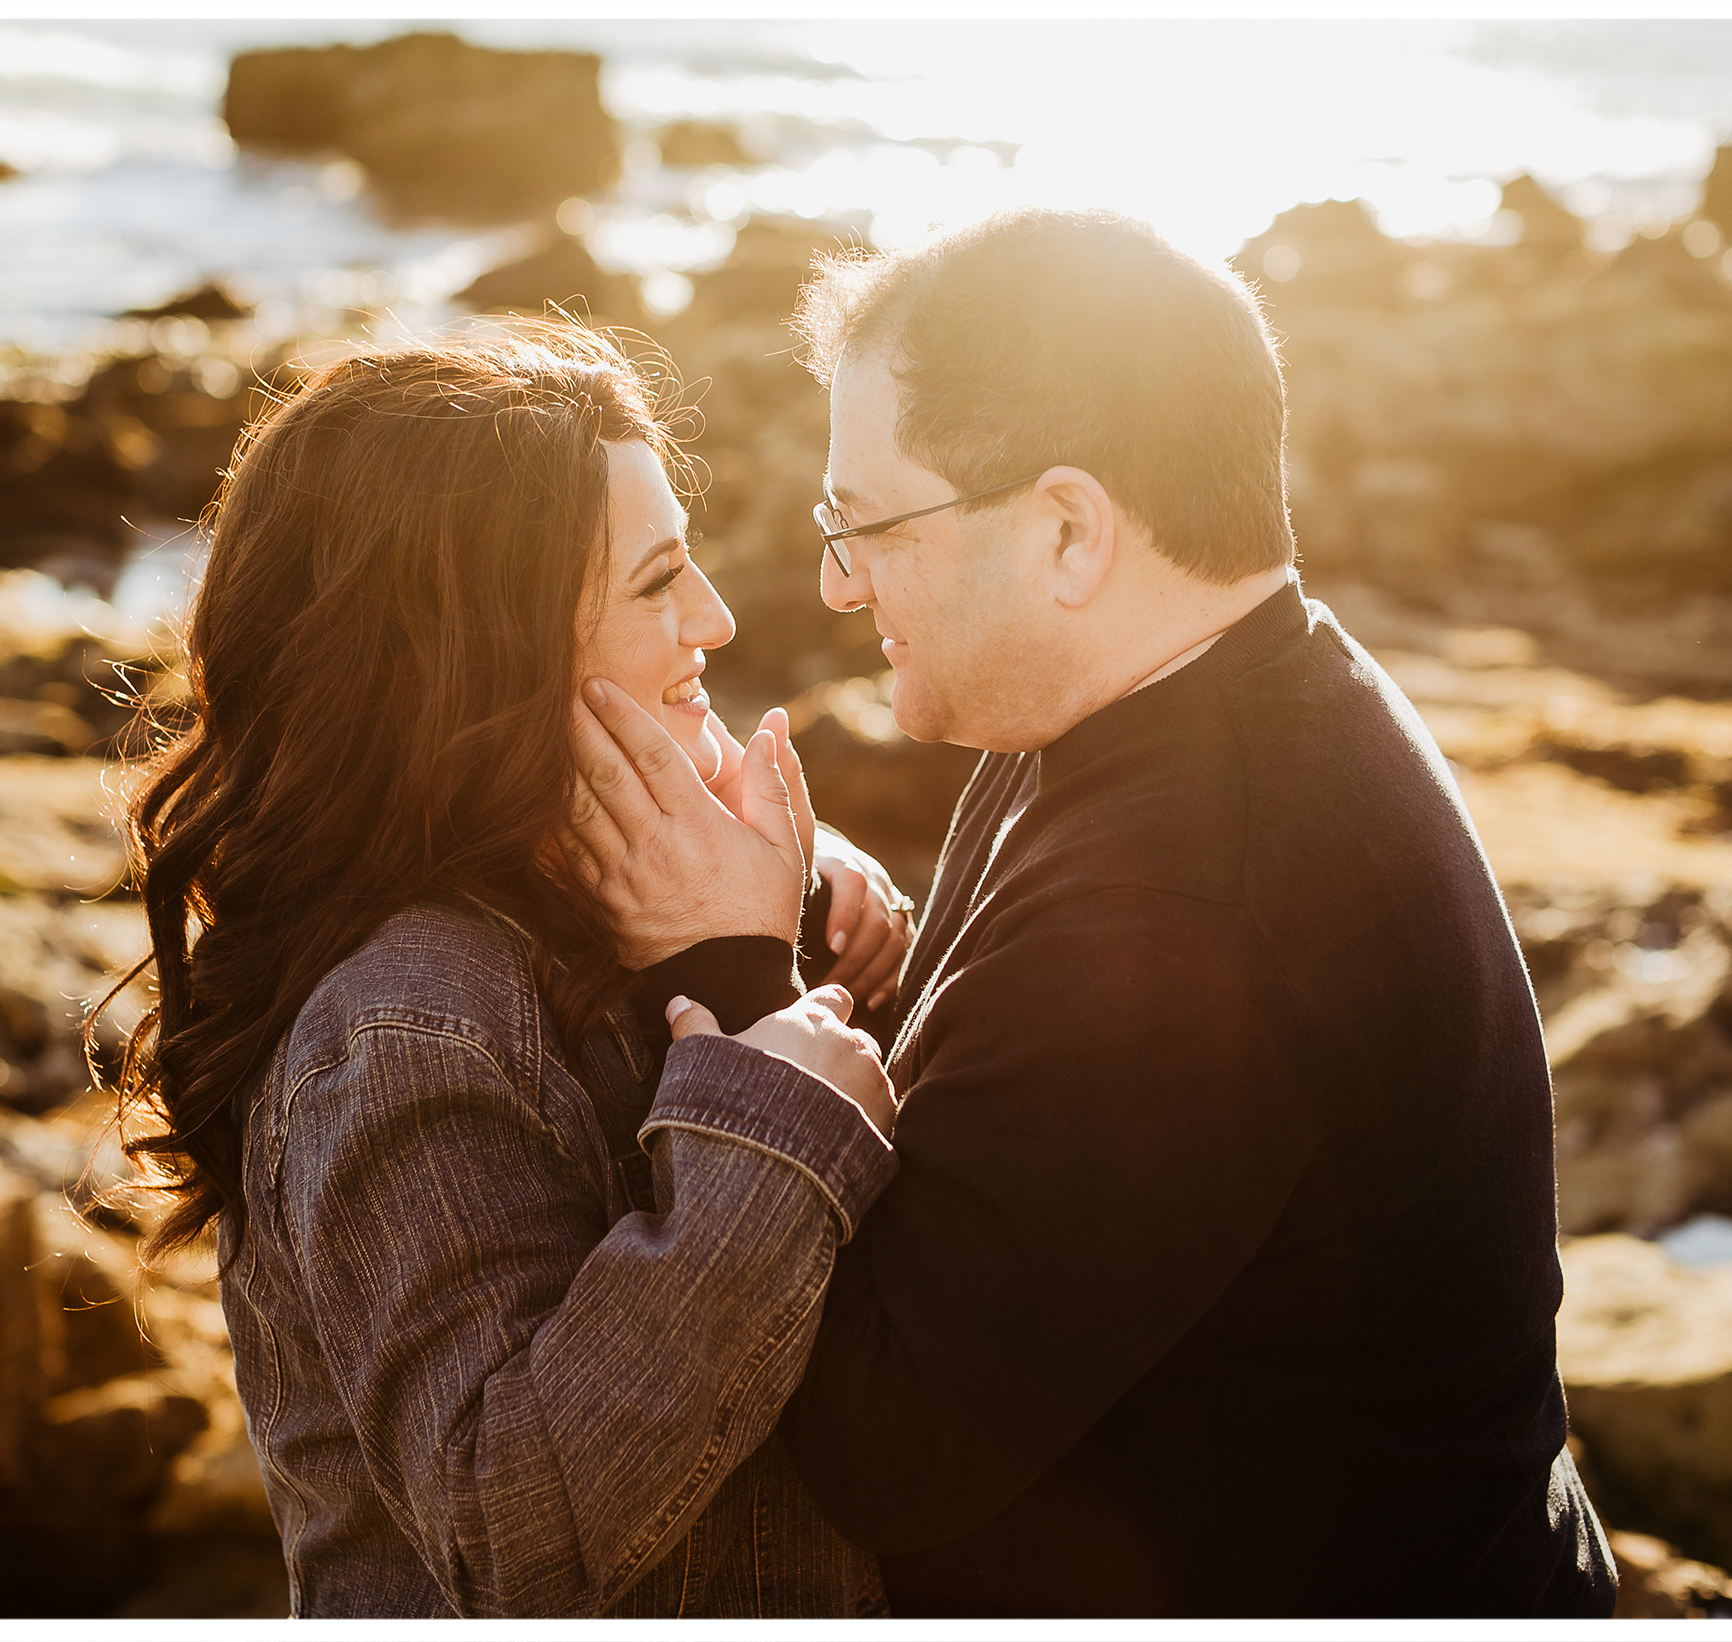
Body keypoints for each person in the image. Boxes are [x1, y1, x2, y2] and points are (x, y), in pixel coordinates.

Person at [574, 208, 1620, 1617]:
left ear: (1069, 530)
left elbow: (880, 1450)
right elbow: (1041, 1151)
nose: (833, 579)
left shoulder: (1189, 901)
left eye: (865, 523)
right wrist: (834, 970)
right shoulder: (1193, 702)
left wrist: (727, 970)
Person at [101, 322, 919, 1617]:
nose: (715, 615)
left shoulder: (594, 909)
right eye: (659, 584)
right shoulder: (407, 1022)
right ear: (478, 653)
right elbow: (507, 1528)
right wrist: (772, 1120)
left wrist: (791, 927)